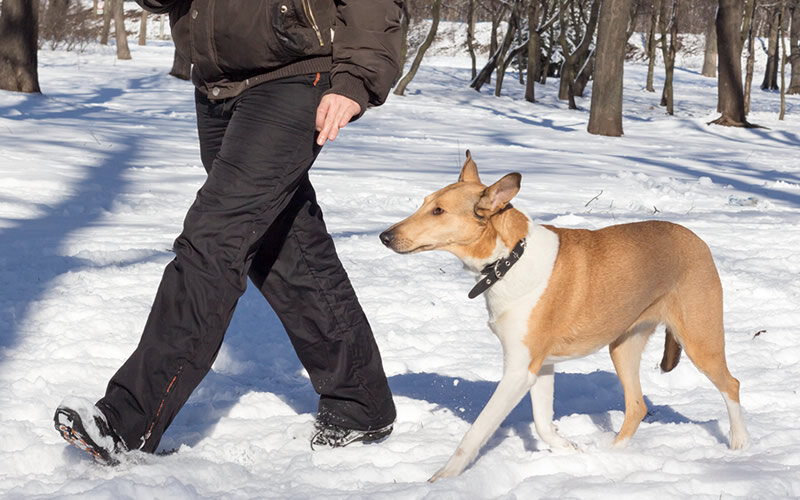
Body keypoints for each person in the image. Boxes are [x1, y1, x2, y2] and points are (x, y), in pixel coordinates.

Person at [54, 0, 403, 465]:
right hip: (218, 83)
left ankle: (127, 421)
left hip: (295, 73)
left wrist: (358, 75)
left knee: (213, 241)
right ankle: (362, 401)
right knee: (284, 250)